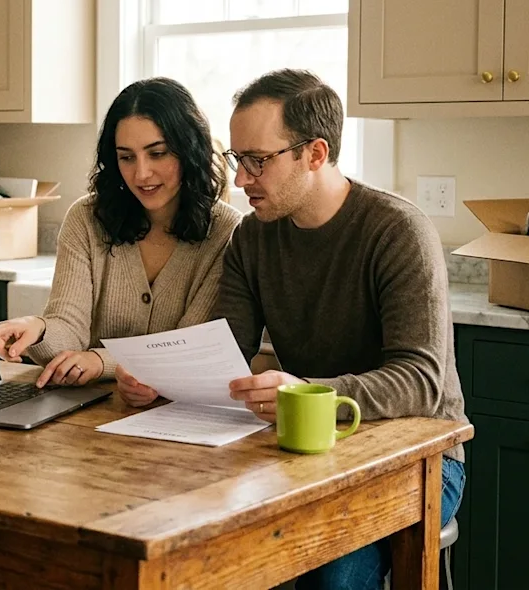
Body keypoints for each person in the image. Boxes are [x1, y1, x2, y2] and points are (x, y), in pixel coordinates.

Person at [116, 69, 467, 590]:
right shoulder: (252, 240)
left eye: (258, 161)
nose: (240, 180)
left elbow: (422, 381)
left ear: (315, 153)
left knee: (329, 574)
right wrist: (157, 379)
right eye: (238, 160)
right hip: (302, 448)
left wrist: (308, 393)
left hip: (418, 457)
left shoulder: (398, 231)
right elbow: (225, 352)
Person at [0, 77, 241, 387]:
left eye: (158, 153)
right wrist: (38, 328)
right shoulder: (86, 219)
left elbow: (187, 348)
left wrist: (101, 361)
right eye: (126, 157)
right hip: (93, 410)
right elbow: (69, 325)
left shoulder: (226, 232)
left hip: (177, 410)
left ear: (189, 150)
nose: (141, 173)